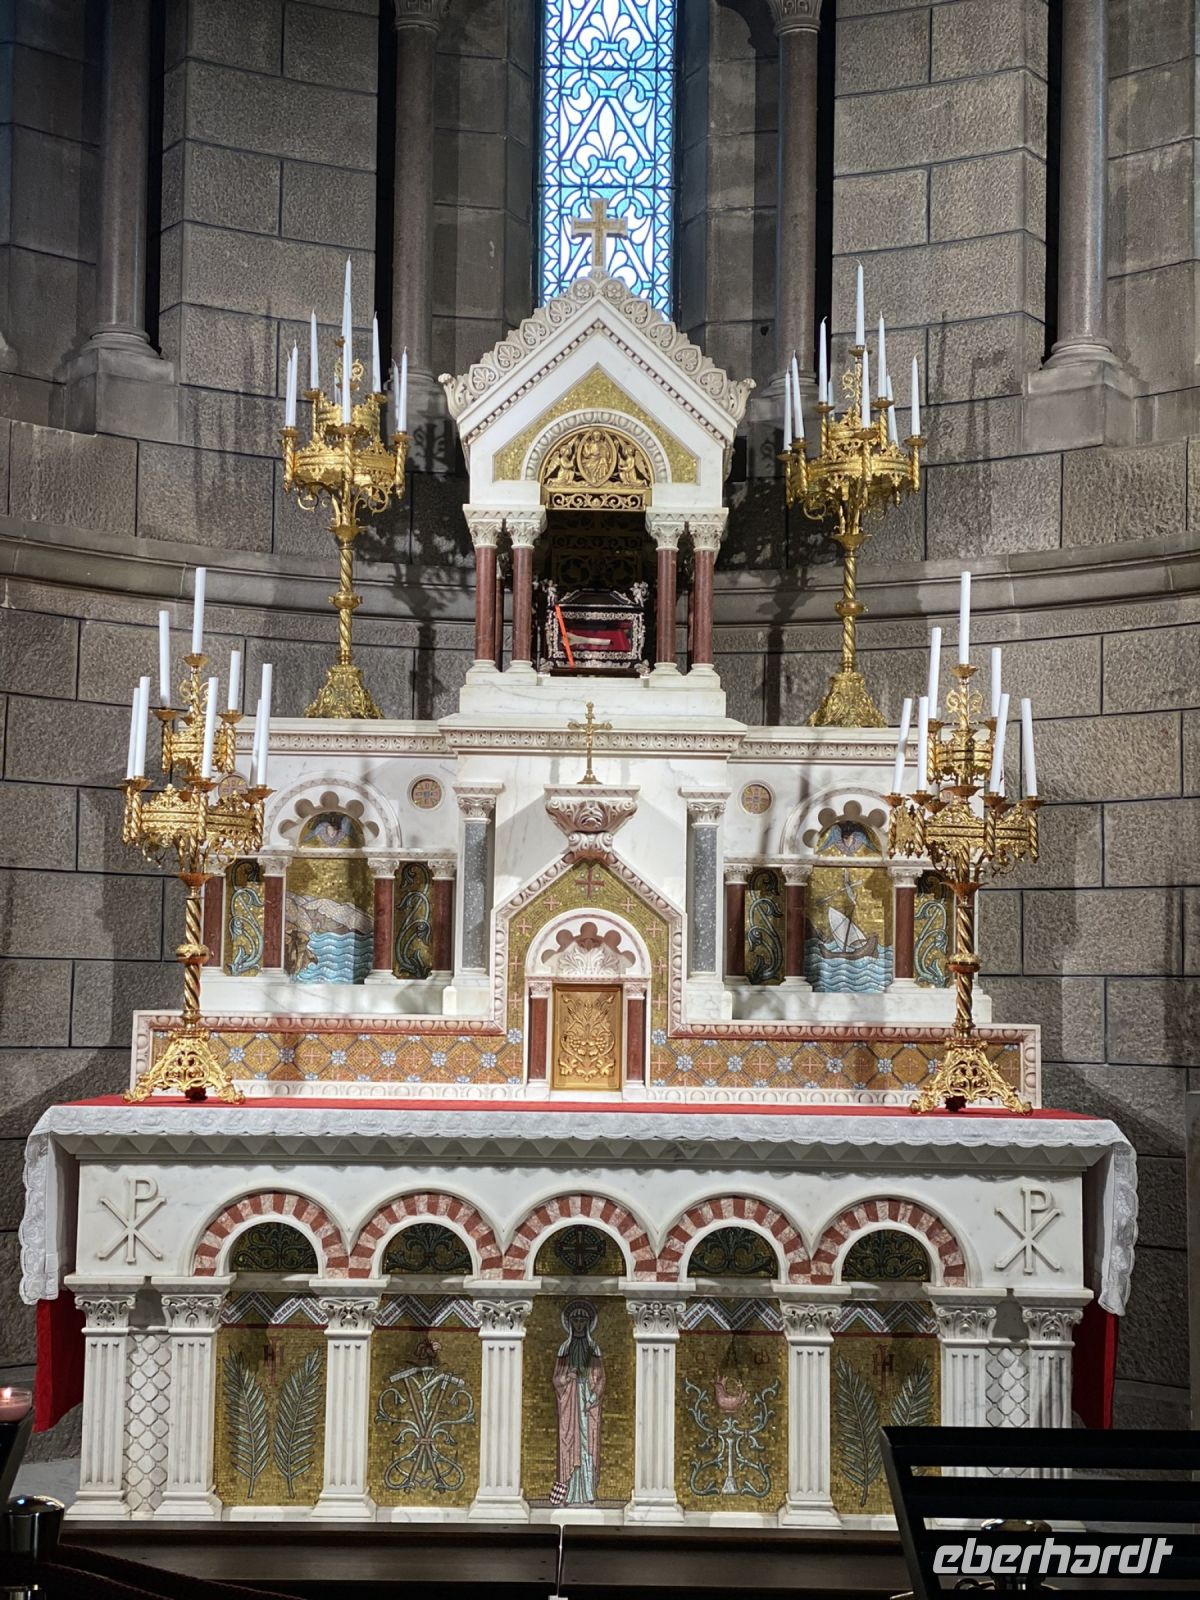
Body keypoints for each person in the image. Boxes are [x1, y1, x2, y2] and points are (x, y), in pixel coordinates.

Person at [551, 1299, 605, 1504]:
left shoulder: (593, 1348)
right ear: (570, 1323)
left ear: (588, 1323)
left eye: (583, 1321)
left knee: (587, 1444)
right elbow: (557, 1378)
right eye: (576, 1321)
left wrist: (593, 1396)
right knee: (570, 1442)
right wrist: (567, 1377)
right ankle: (570, 1491)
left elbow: (601, 1377)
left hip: (587, 1400)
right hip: (570, 1398)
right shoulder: (565, 1348)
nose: (579, 1325)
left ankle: (588, 1491)